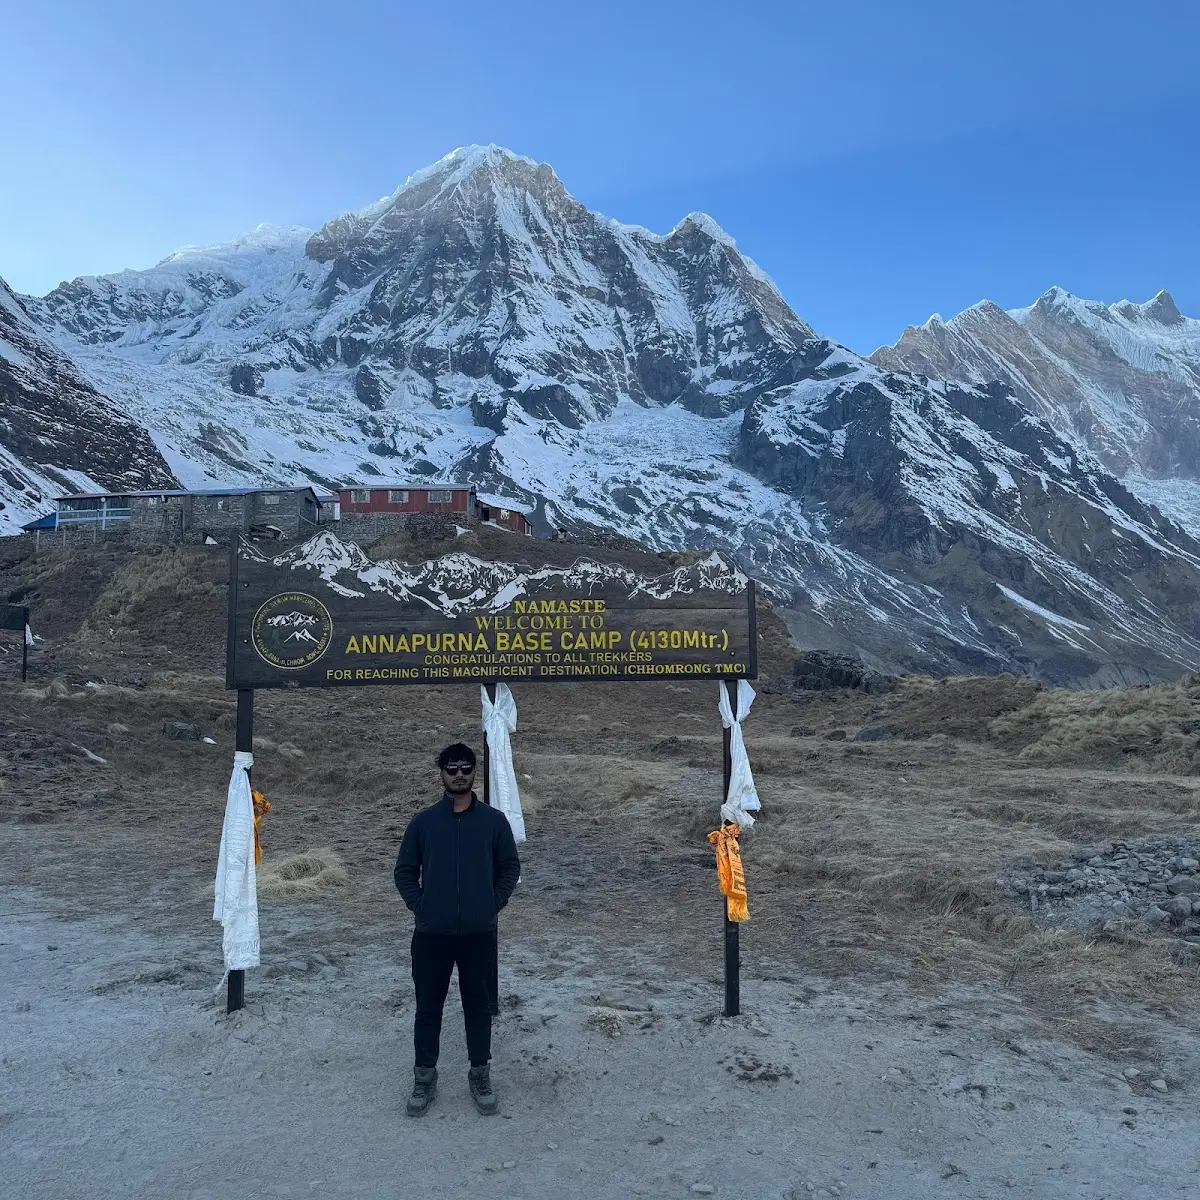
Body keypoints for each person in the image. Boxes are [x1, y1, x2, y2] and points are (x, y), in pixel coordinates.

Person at [393, 743, 521, 1117]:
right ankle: (424, 1078)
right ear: (442, 774)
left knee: (478, 1007)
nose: (459, 774)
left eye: (465, 768)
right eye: (452, 769)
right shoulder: (423, 822)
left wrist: (491, 903)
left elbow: (509, 868)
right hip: (431, 934)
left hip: (479, 934)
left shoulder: (494, 822)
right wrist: (421, 905)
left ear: (473, 772)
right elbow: (403, 872)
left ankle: (479, 1074)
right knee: (428, 1007)